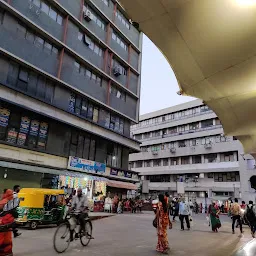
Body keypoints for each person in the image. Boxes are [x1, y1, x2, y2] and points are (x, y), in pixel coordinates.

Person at [0, 189, 17, 256]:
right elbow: (15, 214)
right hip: (6, 224)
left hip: (3, 223)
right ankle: (6, 253)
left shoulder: (2, 201)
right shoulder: (10, 203)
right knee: (6, 240)